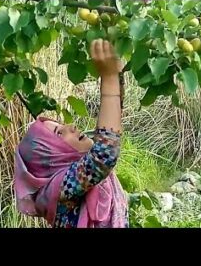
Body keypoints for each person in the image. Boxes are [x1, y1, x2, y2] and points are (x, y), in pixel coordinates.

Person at [14, 39, 128, 228]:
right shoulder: (60, 189)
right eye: (59, 133)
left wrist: (114, 72)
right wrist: (108, 78)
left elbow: (113, 126)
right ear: (51, 156)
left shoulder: (88, 180)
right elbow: (104, 154)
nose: (72, 127)